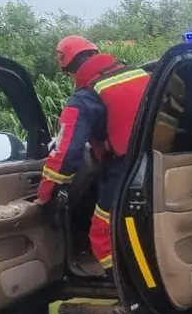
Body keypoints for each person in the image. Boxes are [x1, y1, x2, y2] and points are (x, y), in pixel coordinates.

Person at [35, 36, 151, 273]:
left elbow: (66, 154)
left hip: (125, 169)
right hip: (156, 162)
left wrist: (46, 193)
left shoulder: (85, 97)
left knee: (102, 234)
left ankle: (125, 292)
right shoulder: (141, 75)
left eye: (68, 74)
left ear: (69, 67)